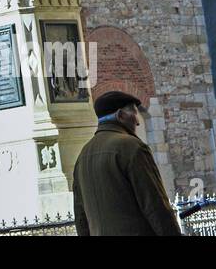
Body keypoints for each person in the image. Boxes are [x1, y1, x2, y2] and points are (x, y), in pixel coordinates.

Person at [72, 91, 180, 236]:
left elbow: (80, 217)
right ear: (121, 115)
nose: (137, 121)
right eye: (135, 114)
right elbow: (155, 204)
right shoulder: (132, 147)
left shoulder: (83, 156)